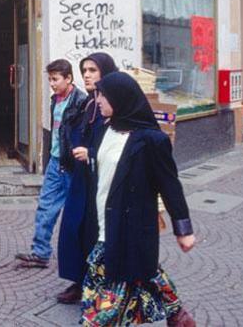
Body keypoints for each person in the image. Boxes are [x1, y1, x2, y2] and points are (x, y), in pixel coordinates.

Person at [80, 72, 196, 327]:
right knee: (144, 272)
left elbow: (170, 186)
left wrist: (183, 229)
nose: (98, 100)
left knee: (102, 307)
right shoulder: (105, 129)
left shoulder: (151, 140)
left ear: (120, 99)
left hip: (128, 230)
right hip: (102, 223)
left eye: (103, 95)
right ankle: (177, 313)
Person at [56, 52, 119, 304]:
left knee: (96, 230)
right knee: (74, 226)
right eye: (84, 71)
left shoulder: (115, 105)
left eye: (93, 70)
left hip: (104, 179)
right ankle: (78, 279)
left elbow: (118, 146)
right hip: (83, 177)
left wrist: (91, 154)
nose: (87, 75)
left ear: (105, 72)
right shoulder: (90, 103)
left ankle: (97, 283)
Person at [17, 59, 88, 268]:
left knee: (76, 215)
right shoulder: (54, 99)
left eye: (55, 79)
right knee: (45, 207)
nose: (52, 83)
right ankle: (40, 253)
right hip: (55, 162)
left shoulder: (81, 102)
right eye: (50, 79)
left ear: (68, 78)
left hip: (73, 165)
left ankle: (81, 259)